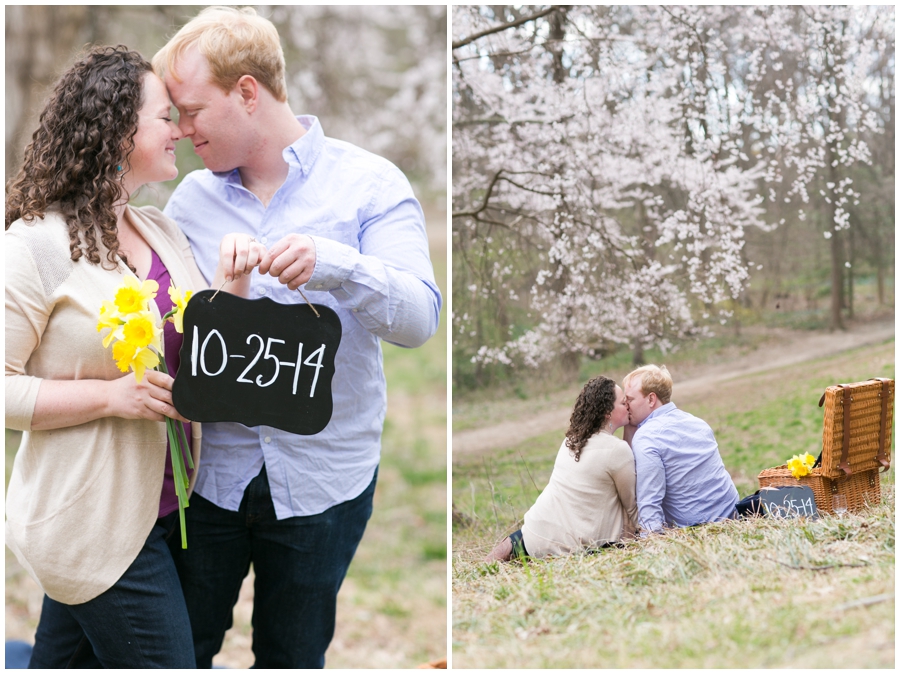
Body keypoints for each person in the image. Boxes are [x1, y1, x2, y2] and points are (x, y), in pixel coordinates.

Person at [150, 7, 442, 668]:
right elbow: (174, 336)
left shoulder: (370, 185)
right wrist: (222, 299)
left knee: (291, 656)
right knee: (180, 651)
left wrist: (336, 264)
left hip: (323, 484)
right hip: (209, 480)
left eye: (192, 110)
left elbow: (421, 319)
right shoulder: (190, 202)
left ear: (247, 92)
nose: (183, 130)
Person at [5, 45, 208, 668]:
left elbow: (198, 345)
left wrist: (242, 285)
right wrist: (110, 397)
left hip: (168, 508)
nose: (179, 131)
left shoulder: (161, 231)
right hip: (90, 520)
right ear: (121, 132)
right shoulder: (34, 245)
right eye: (164, 117)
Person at [485, 376, 638, 562]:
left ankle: (481, 568)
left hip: (535, 533)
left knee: (510, 544)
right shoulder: (617, 450)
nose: (628, 406)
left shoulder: (571, 440)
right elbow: (632, 507)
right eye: (623, 403)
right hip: (572, 548)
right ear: (607, 412)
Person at [622, 364, 739, 533]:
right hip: (732, 513)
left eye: (630, 400)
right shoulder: (697, 422)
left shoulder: (647, 437)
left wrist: (650, 544)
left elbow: (649, 502)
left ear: (651, 399)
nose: (626, 406)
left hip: (699, 530)